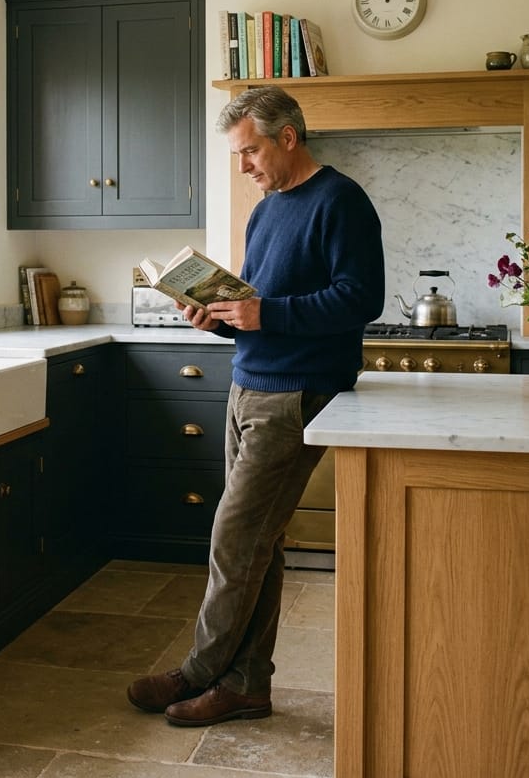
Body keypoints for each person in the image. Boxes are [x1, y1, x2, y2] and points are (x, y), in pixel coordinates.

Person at [127, 84, 385, 727]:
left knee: (234, 538)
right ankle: (246, 686)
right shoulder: (265, 210)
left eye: (249, 152)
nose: (244, 166)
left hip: (298, 394)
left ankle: (199, 670)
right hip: (248, 383)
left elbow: (361, 299)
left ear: (287, 137)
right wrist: (212, 316)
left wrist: (263, 311)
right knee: (257, 544)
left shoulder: (342, 200)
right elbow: (256, 308)